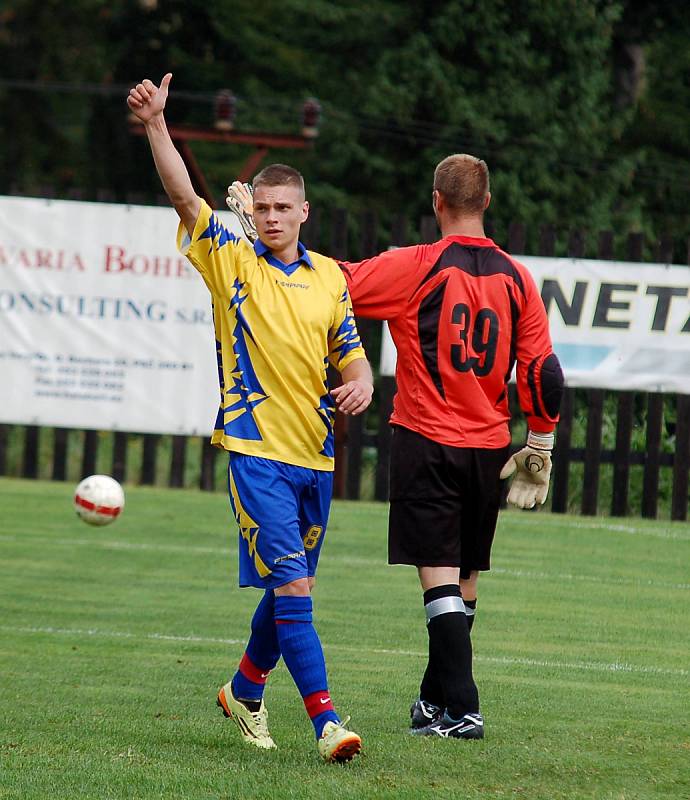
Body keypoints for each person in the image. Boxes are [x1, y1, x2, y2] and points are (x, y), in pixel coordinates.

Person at [225, 154, 563, 740]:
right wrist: (540, 443)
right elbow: (543, 370)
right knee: (467, 576)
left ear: (436, 202)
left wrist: (260, 234)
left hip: (427, 437)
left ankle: (462, 707)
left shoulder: (417, 266)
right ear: (486, 202)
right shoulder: (517, 278)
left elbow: (332, 283)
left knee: (439, 577)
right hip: (490, 445)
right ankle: (435, 703)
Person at [127, 73, 373, 763]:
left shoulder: (331, 277)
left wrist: (363, 386)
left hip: (315, 459)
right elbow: (183, 195)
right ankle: (326, 723)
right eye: (260, 206)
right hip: (255, 451)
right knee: (293, 586)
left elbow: (352, 358)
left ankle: (244, 687)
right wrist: (155, 125)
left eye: (281, 207)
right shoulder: (230, 258)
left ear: (303, 212)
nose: (268, 216)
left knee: (291, 590)